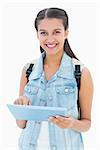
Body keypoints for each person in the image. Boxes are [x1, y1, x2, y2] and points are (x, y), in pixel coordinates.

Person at [14, 7, 93, 150]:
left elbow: (86, 123)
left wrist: (71, 124)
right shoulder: (28, 70)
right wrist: (20, 106)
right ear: (37, 35)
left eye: (56, 32)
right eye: (43, 33)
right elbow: (21, 124)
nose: (50, 39)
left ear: (66, 32)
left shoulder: (81, 73)